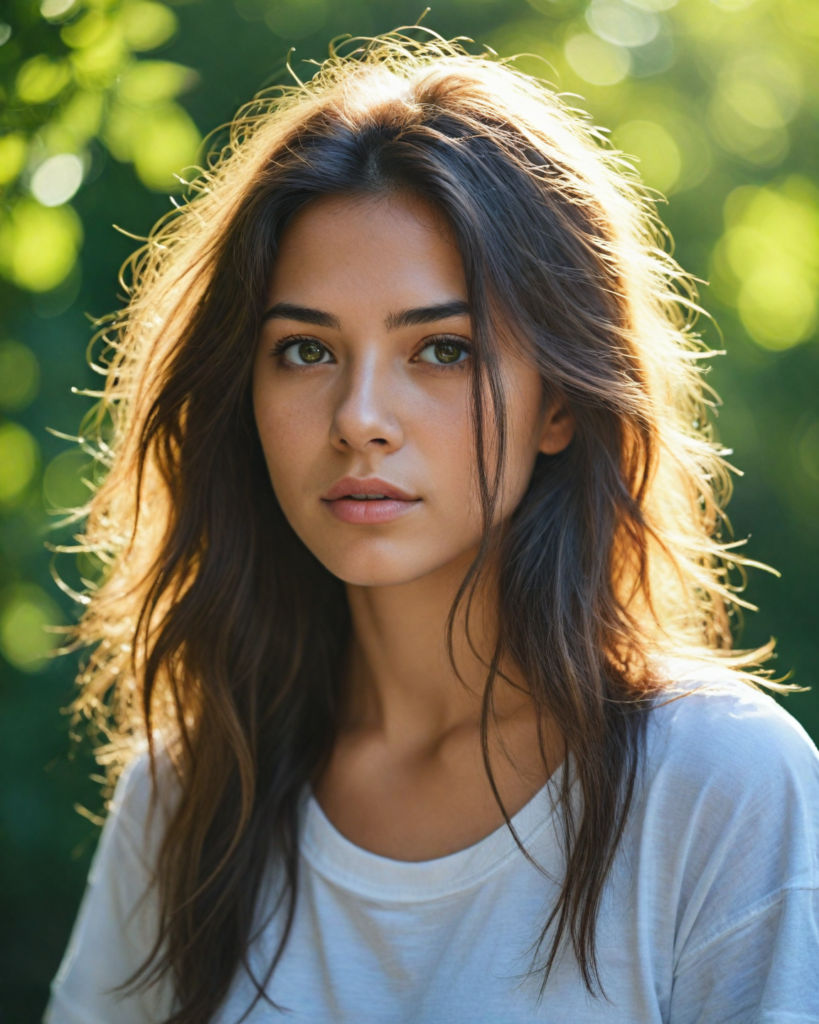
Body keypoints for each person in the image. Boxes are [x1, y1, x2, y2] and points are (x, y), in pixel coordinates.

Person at [45, 31, 819, 1024]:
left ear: (560, 404)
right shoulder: (190, 796)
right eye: (306, 350)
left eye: (442, 349)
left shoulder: (720, 786)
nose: (361, 414)